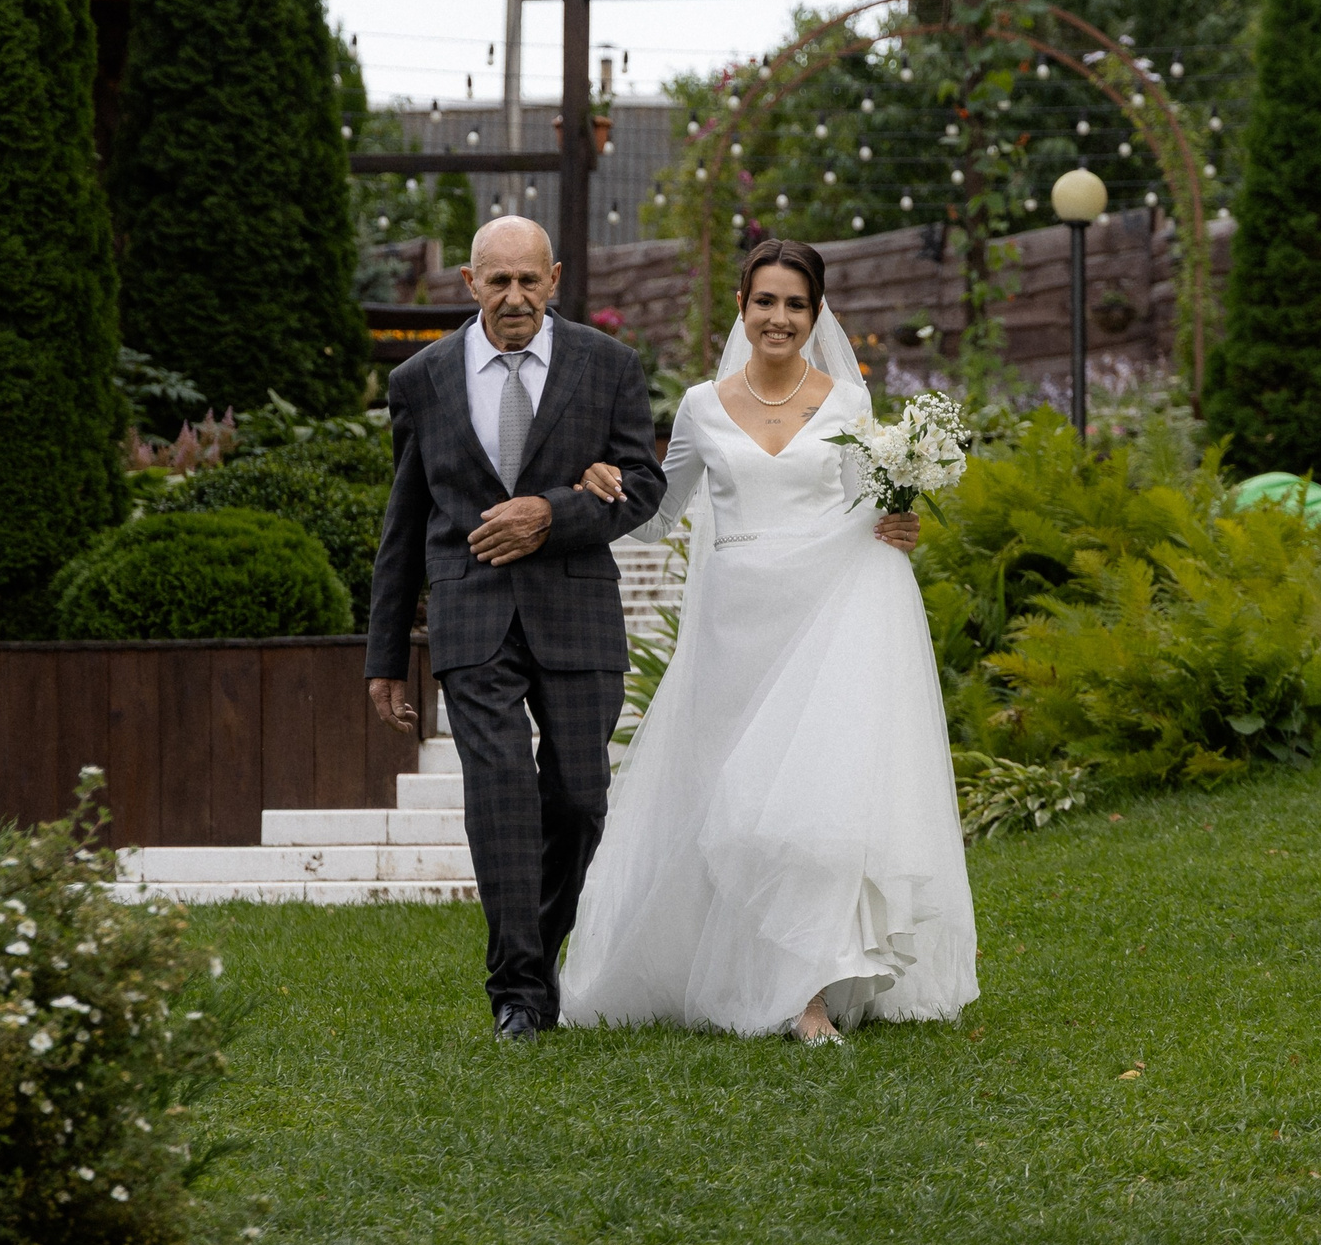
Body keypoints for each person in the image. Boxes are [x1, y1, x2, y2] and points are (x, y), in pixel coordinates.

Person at [556, 241, 978, 1043]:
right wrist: (602, 484)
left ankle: (806, 992)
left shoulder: (849, 403)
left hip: (826, 620)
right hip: (734, 628)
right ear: (742, 307)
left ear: (816, 314)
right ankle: (729, 968)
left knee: (812, 808)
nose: (779, 318)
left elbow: (866, 508)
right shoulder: (701, 406)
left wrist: (900, 521)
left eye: (795, 304)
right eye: (765, 302)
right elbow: (659, 515)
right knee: (736, 808)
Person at [365, 217, 667, 1045]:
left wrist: (553, 513)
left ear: (555, 278)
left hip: (577, 610)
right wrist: (385, 656)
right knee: (499, 792)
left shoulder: (609, 367)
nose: (514, 297)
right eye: (497, 281)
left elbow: (642, 487)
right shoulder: (422, 379)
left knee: (579, 798)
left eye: (529, 280)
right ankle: (520, 993)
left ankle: (540, 951)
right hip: (471, 613)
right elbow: (404, 521)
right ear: (470, 284)